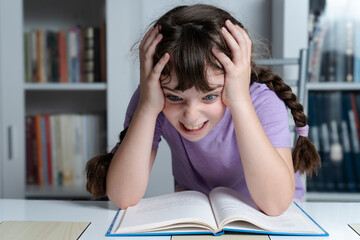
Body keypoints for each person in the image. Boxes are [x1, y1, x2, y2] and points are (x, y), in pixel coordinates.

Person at [86, 4, 320, 216]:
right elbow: (122, 197)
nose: (191, 115)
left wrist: (239, 102)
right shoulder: (152, 98)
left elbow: (275, 204)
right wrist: (147, 106)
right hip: (196, 211)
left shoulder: (262, 102)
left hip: (267, 212)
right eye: (175, 97)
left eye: (209, 96)